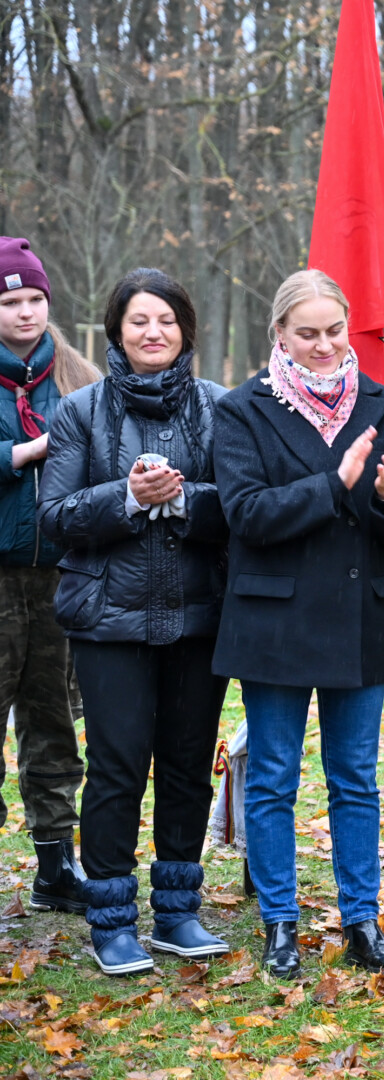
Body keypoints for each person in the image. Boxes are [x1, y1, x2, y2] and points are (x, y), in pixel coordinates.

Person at [213, 269, 384, 978]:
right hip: (273, 620)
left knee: (356, 779)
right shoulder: (242, 409)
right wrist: (335, 485)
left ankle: (361, 921)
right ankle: (280, 921)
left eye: (334, 330)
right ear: (279, 333)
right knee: (274, 777)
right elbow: (247, 514)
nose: (324, 345)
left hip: (362, 618)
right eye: (307, 333)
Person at [39, 268, 230, 976]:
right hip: (107, 621)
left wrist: (181, 500)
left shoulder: (219, 407)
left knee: (187, 765)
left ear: (186, 330)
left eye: (167, 321)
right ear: (116, 330)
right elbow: (56, 516)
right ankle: (112, 920)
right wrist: (125, 497)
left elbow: (241, 508)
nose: (154, 332)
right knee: (116, 768)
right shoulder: (79, 412)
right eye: (139, 321)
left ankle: (177, 912)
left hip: (198, 618)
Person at [0, 237, 99, 914]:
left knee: (54, 721)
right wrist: (24, 452)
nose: (26, 312)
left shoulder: (78, 378)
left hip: (60, 578)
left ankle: (55, 865)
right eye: (11, 302)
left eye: (36, 299)